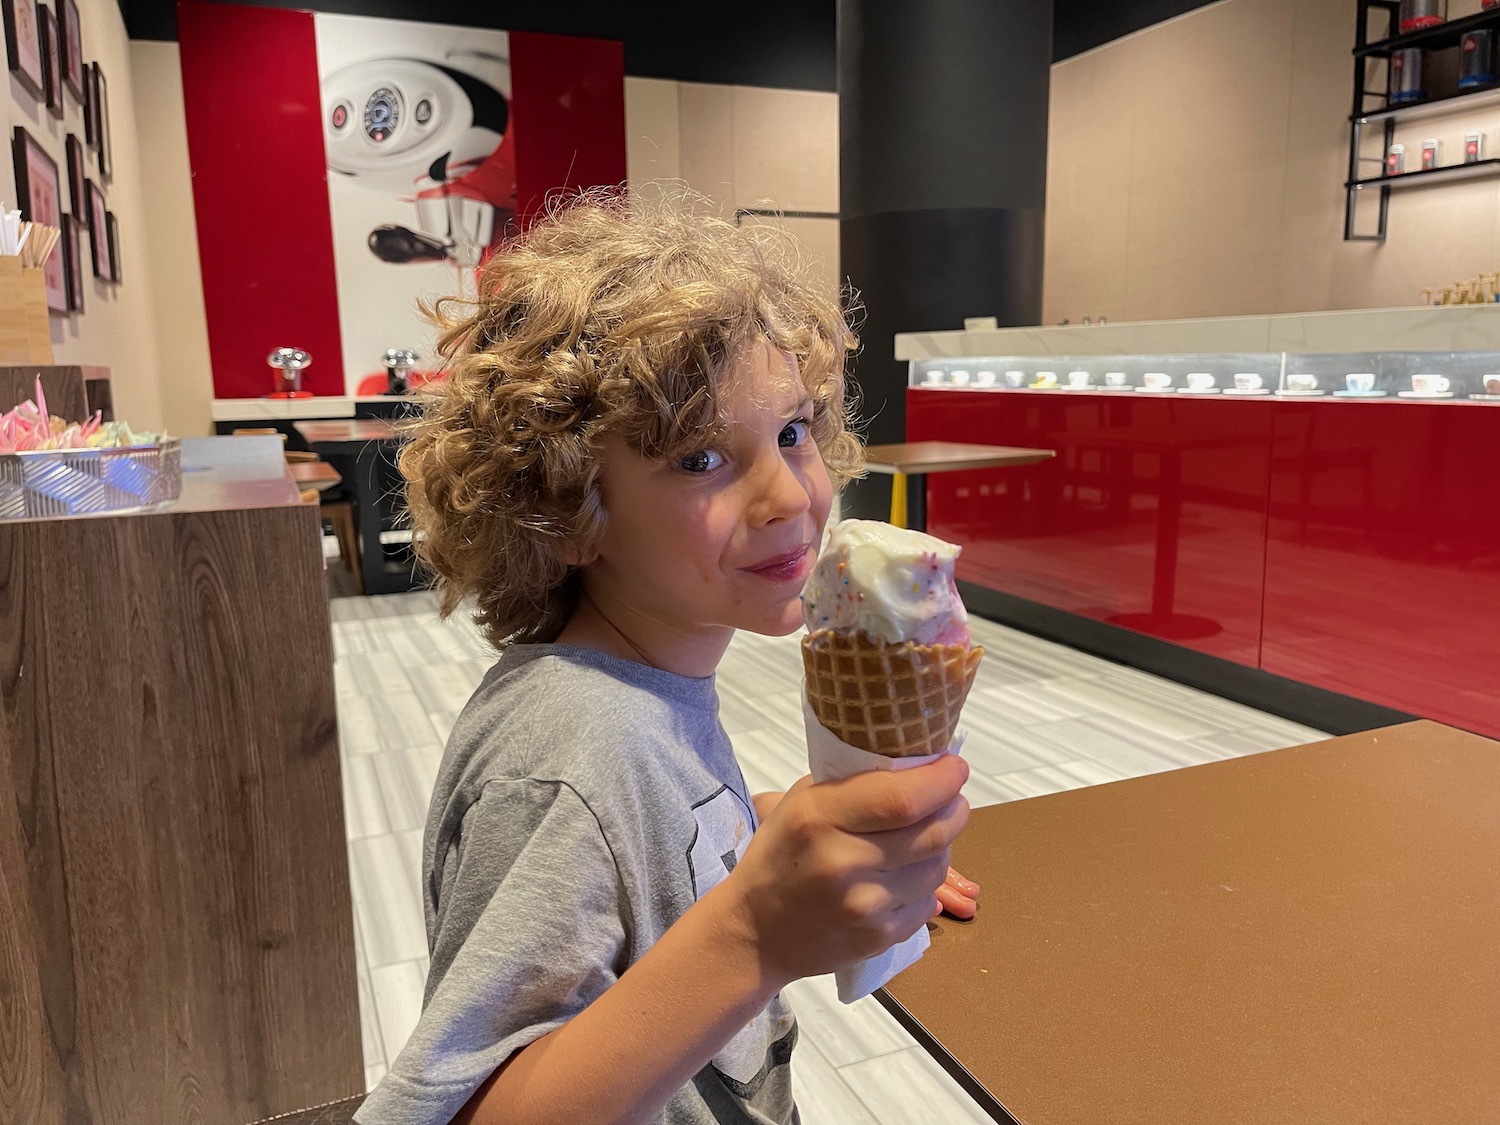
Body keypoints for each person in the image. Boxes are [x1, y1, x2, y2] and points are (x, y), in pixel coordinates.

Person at [354, 192, 978, 1125]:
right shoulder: (570, 755)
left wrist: (762, 834)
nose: (787, 494)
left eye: (793, 431)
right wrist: (758, 930)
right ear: (562, 507)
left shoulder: (642, 693)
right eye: (700, 460)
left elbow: (636, 851)